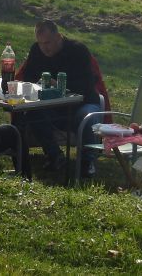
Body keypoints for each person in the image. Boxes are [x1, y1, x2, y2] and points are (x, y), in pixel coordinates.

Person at [16, 19, 102, 176]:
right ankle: (54, 154)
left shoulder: (78, 50)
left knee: (87, 118)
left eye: (47, 43)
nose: (44, 48)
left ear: (58, 37)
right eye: (40, 43)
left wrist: (60, 86)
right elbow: (28, 77)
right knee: (32, 113)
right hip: (52, 106)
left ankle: (88, 160)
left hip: (83, 102)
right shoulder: (36, 50)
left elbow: (87, 84)